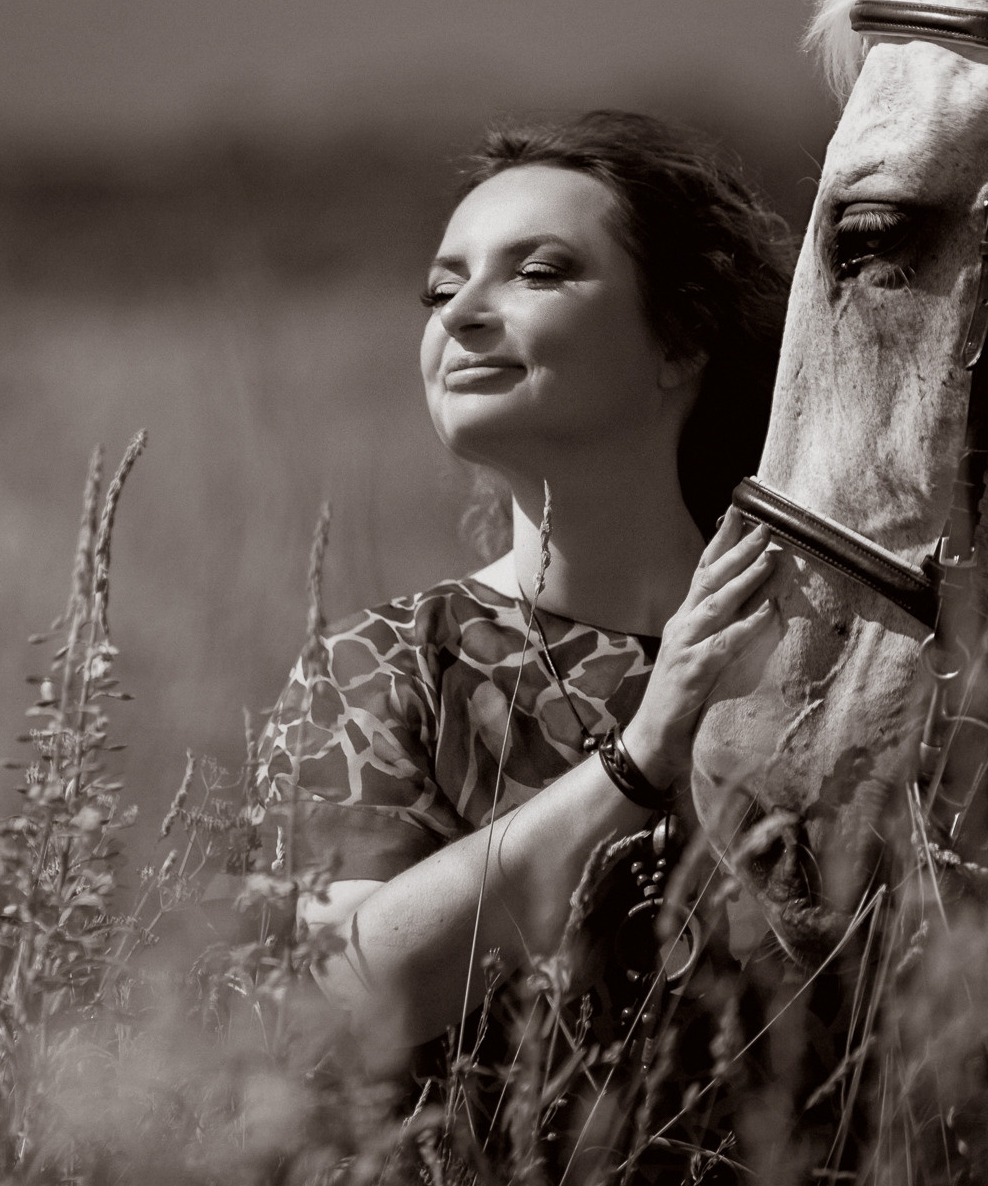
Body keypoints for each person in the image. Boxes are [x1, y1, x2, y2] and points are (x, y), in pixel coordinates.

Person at [257, 109, 794, 1053]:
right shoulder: (384, 665)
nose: (460, 314)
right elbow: (326, 1002)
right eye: (440, 288)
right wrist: (640, 755)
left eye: (538, 272)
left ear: (682, 339)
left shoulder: (830, 656)